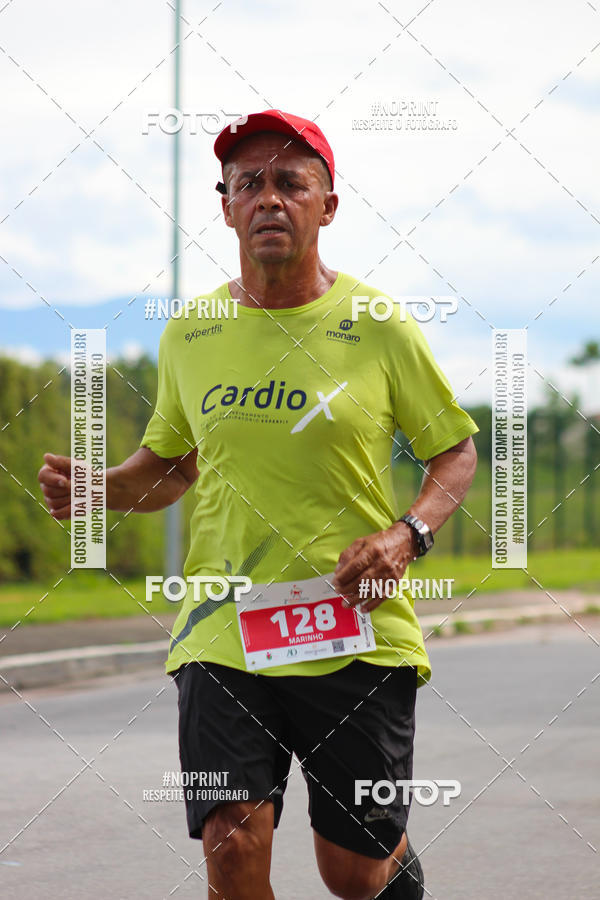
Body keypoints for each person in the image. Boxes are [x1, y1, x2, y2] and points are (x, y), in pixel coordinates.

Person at [39, 109, 478, 900]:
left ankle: (393, 859)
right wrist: (104, 491)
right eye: (250, 184)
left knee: (354, 874)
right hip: (221, 626)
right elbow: (172, 467)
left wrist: (408, 535)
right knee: (230, 844)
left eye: (290, 182)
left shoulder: (378, 326)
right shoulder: (192, 332)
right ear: (226, 205)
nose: (268, 198)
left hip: (353, 625)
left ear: (328, 206)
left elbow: (455, 450)